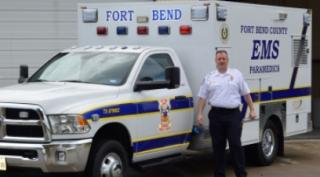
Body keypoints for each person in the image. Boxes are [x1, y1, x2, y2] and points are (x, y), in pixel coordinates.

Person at [197, 50, 256, 177]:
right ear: (215, 61)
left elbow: (246, 93)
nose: (221, 61)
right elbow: (202, 97)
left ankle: (240, 174)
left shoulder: (236, 75)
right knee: (218, 147)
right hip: (216, 116)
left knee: (235, 145)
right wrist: (200, 113)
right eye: (219, 59)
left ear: (227, 60)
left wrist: (252, 108)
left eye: (224, 58)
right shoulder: (209, 77)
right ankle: (219, 174)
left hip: (233, 115)